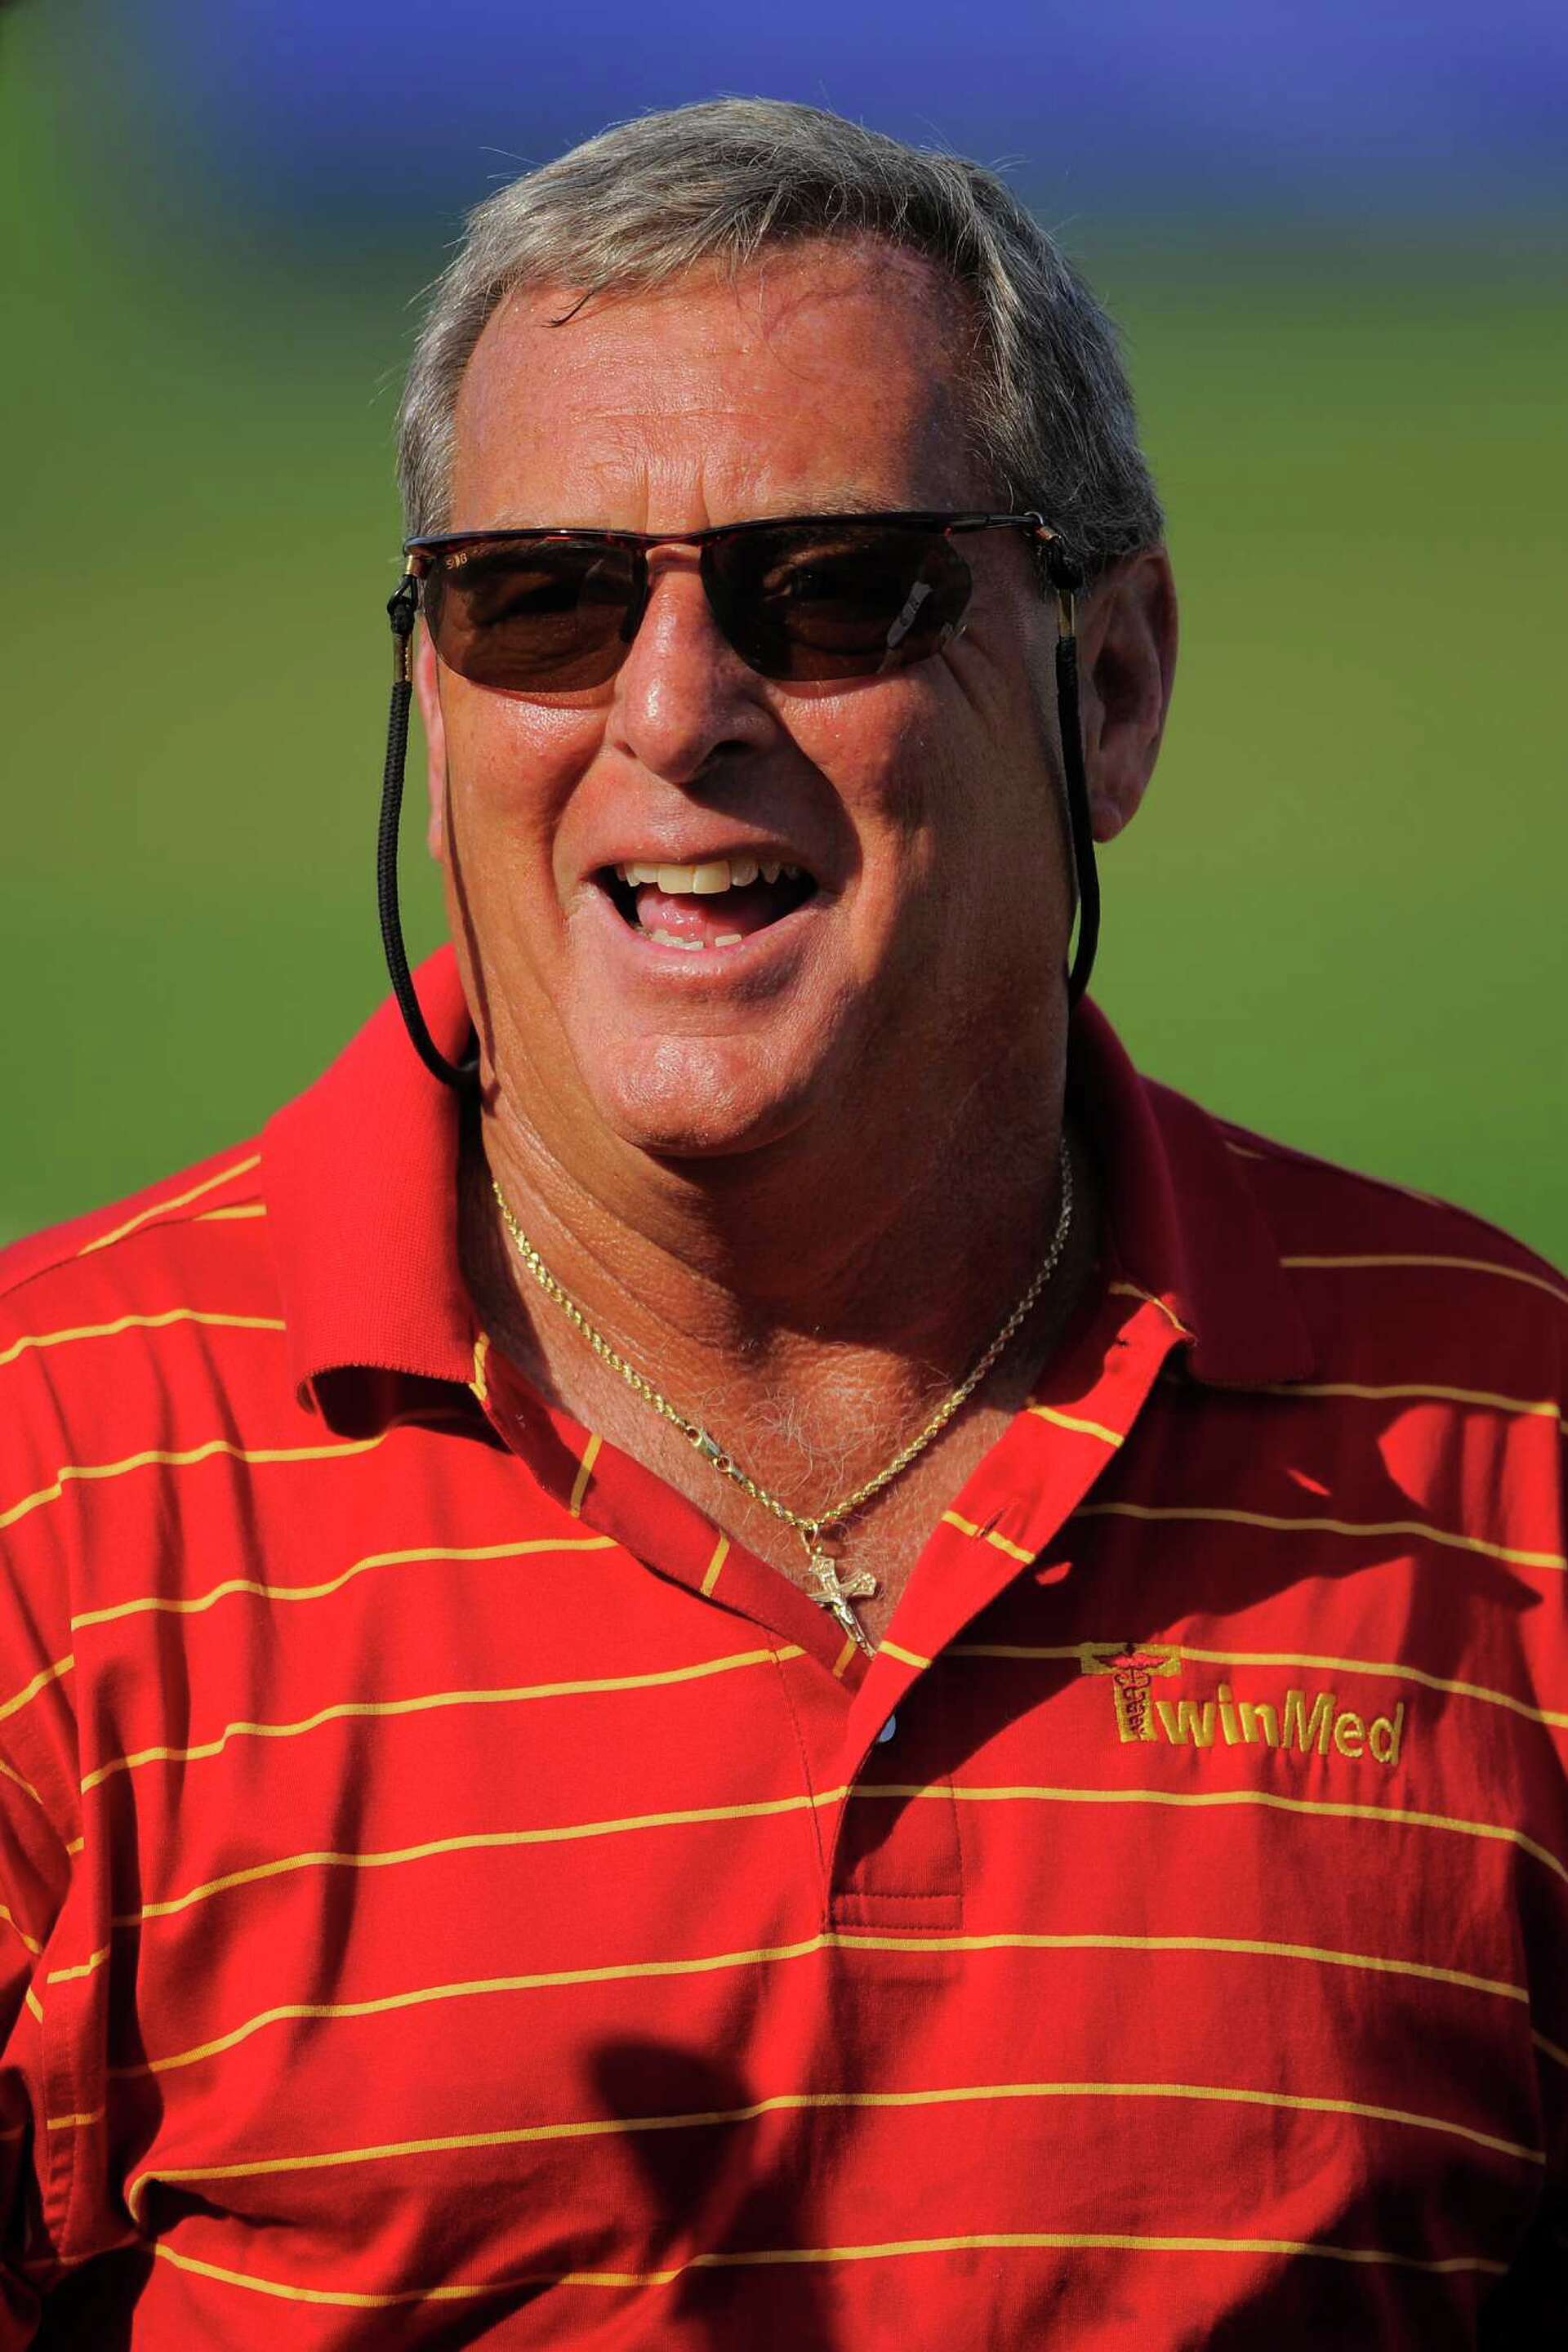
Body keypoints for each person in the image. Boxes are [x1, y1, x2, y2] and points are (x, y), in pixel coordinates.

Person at [0, 96, 1562, 2350]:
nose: (670, 712)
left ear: (1111, 687)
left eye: (831, 588)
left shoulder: (1513, 1443)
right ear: (433, 703)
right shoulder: (48, 1483)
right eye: (541, 602)